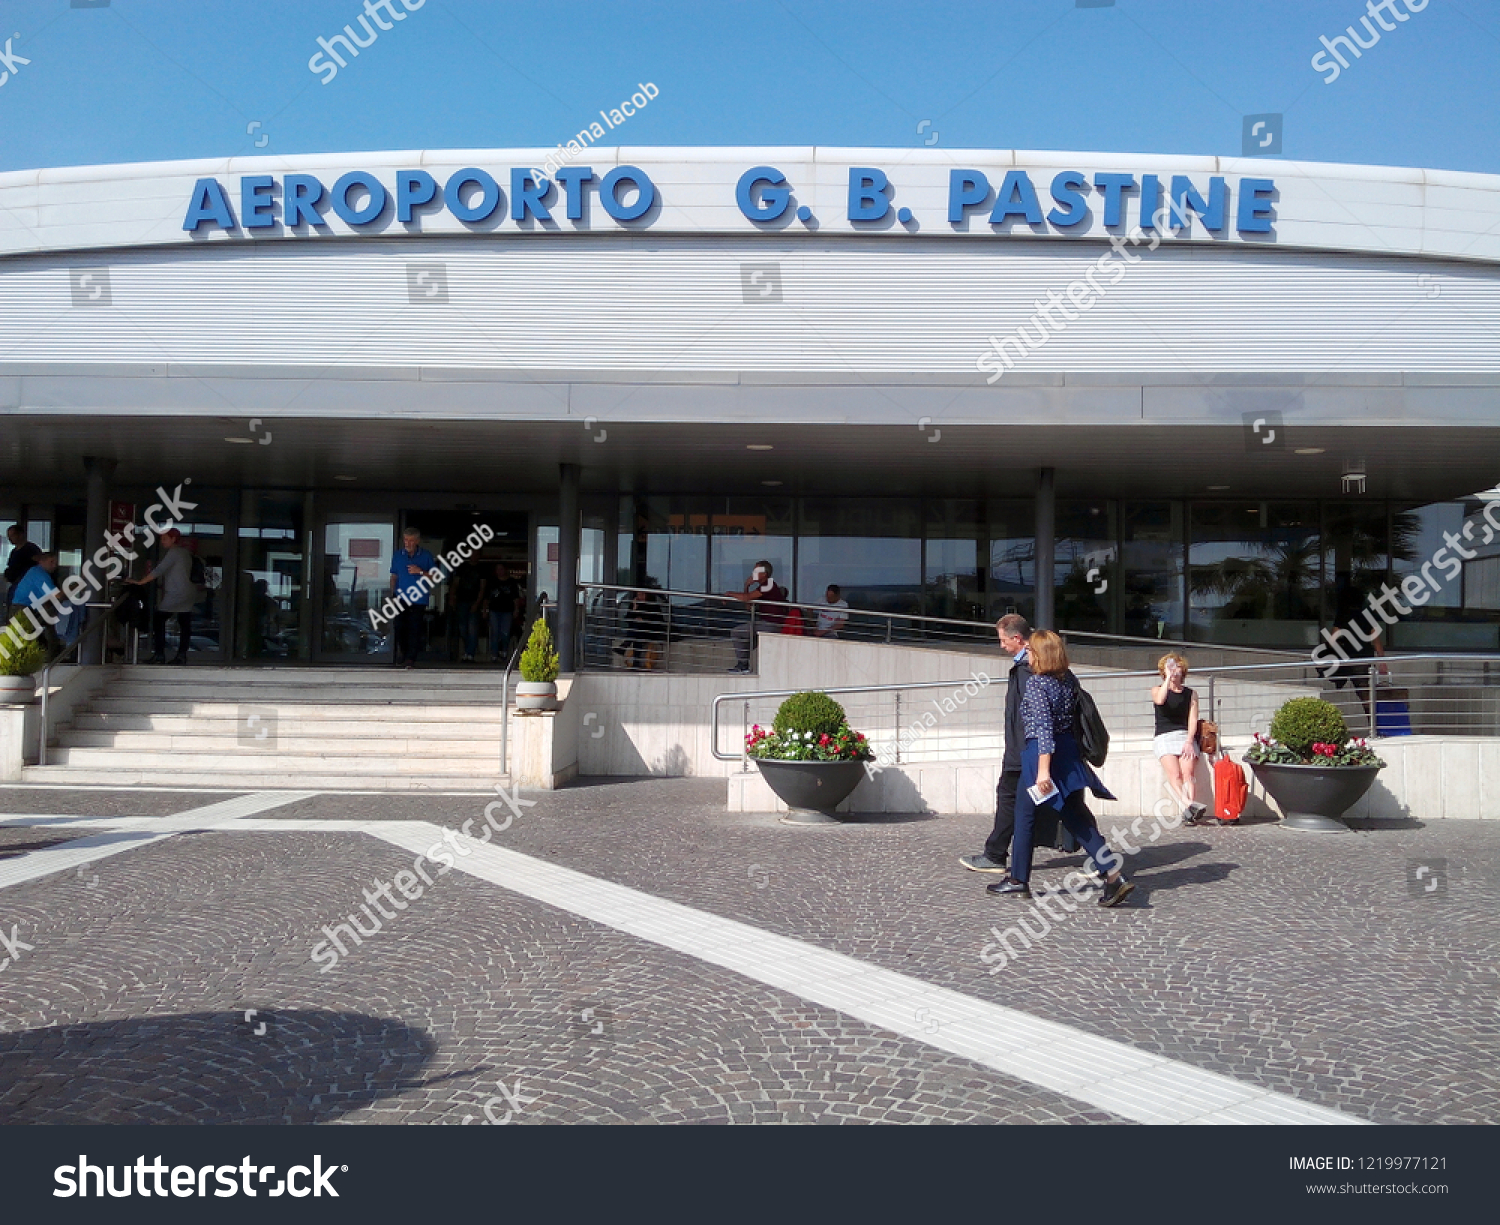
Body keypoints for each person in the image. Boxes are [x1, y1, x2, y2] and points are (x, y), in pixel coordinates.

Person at [987, 630, 1133, 907]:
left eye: (1030, 651)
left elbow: (1043, 730)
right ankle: (1113, 874)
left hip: (1041, 757)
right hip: (1068, 753)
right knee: (1074, 816)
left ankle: (1019, 881)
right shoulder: (1067, 680)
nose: (1026, 654)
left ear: (1040, 654)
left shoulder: (1037, 684)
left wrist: (1042, 771)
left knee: (1025, 816)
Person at [959, 614, 1031, 876]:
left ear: (1017, 638)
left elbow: (1028, 714)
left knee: (1009, 798)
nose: (1001, 646)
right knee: (1065, 804)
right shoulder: (1032, 665)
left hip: (1023, 751)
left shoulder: (1026, 669)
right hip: (1026, 749)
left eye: (1003, 640)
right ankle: (1101, 859)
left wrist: (1022, 751)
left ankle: (995, 855)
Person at [1152, 653, 1208, 824]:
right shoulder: (1157, 689)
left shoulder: (1191, 694)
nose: (1175, 670)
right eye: (1171, 667)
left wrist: (1190, 741)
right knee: (1175, 774)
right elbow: (1160, 700)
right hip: (1164, 736)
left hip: (1184, 735)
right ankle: (1190, 805)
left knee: (1188, 774)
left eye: (1178, 667)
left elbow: (1192, 718)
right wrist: (1168, 679)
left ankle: (1189, 812)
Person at [128, 529, 198, 665]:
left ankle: (159, 655)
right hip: (188, 592)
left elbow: (159, 570)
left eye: (165, 539)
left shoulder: (174, 553)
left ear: (173, 539)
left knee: (159, 620)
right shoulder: (185, 553)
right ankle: (181, 655)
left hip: (177, 593)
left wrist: (140, 582)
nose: (162, 541)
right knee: (184, 623)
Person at [388, 527, 440, 668]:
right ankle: (403, 654)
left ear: (417, 541)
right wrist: (392, 594)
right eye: (405, 539)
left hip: (418, 599)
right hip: (400, 597)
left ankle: (410, 658)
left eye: (411, 540)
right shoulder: (398, 556)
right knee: (399, 626)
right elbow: (394, 576)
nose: (407, 543)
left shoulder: (426, 556)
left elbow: (436, 576)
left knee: (414, 628)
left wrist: (421, 571)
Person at [726, 559, 787, 673]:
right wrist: (746, 587)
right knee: (745, 640)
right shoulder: (764, 586)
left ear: (764, 574)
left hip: (771, 624)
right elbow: (748, 605)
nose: (753, 573)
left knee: (737, 632)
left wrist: (730, 594)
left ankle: (743, 665)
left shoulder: (769, 584)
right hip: (766, 623)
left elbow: (746, 597)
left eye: (756, 571)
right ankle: (744, 665)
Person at [482, 562, 524, 664]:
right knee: (495, 632)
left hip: (507, 611)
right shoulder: (492, 582)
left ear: (505, 570)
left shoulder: (511, 582)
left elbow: (515, 598)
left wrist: (516, 609)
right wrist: (485, 610)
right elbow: (487, 598)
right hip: (494, 611)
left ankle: (504, 651)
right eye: (497, 569)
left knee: (505, 633)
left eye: (501, 569)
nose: (499, 571)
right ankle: (494, 654)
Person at [451, 559, 484, 662]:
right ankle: (467, 650)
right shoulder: (462, 567)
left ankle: (470, 653)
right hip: (461, 601)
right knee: (463, 628)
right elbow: (455, 583)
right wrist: (452, 597)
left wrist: (477, 603)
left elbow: (483, 587)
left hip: (474, 601)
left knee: (473, 629)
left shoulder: (481, 569)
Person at [4, 525, 40, 613]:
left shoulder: (30, 549)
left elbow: (39, 563)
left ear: (20, 535)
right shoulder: (14, 552)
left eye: (12, 535)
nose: (10, 539)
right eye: (8, 536)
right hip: (15, 584)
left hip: (26, 586)